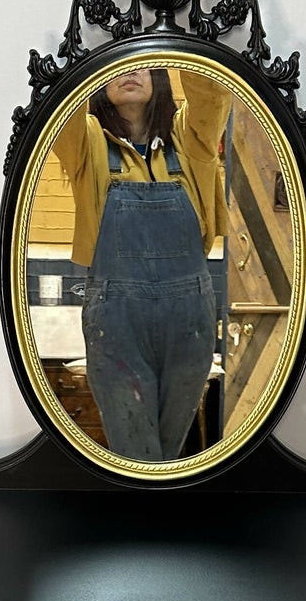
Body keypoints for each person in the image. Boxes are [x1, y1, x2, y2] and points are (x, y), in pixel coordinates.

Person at [51, 65, 231, 460]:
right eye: (121, 65)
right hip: (116, 320)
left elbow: (212, 94)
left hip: (190, 321)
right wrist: (96, 50)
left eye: (146, 67)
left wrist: (182, 37)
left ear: (163, 79)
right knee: (134, 449)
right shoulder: (88, 145)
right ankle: (144, 515)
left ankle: (156, 515)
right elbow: (59, 110)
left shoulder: (190, 143)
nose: (132, 72)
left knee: (170, 450)